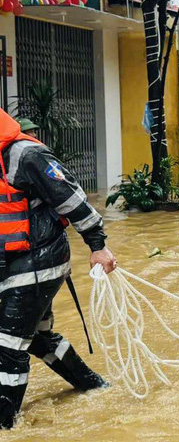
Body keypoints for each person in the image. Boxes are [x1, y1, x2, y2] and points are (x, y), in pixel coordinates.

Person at [0, 109, 116, 429]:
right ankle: (93, 386)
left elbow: (72, 199)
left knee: (7, 345)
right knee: (37, 337)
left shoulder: (26, 155)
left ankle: (6, 425)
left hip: (41, 258)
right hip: (10, 262)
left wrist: (97, 246)